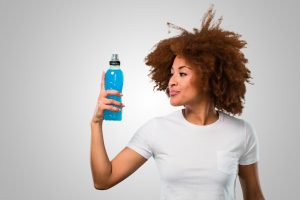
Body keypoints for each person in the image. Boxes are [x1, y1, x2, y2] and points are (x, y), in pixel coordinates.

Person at [90, 5, 265, 200]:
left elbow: (254, 196)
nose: (172, 81)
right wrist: (96, 123)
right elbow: (103, 180)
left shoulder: (241, 132)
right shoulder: (156, 129)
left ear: (208, 78)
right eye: (172, 73)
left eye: (182, 73)